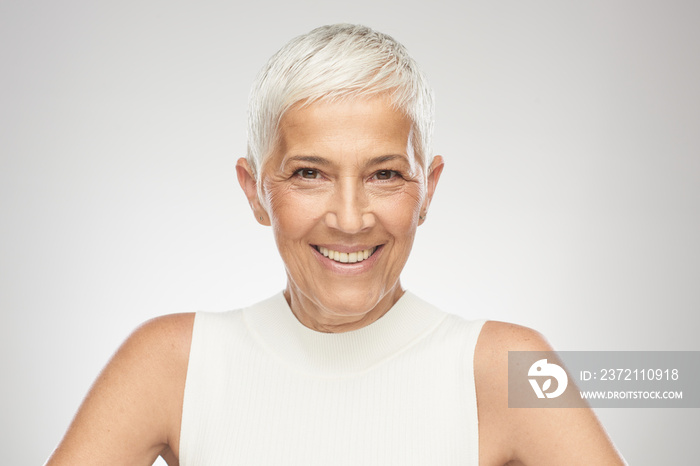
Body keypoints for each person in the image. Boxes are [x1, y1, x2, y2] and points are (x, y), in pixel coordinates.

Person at [46, 24, 625, 465]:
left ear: (428, 190)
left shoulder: (507, 367)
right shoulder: (171, 362)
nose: (350, 220)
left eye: (386, 175)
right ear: (255, 191)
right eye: (308, 174)